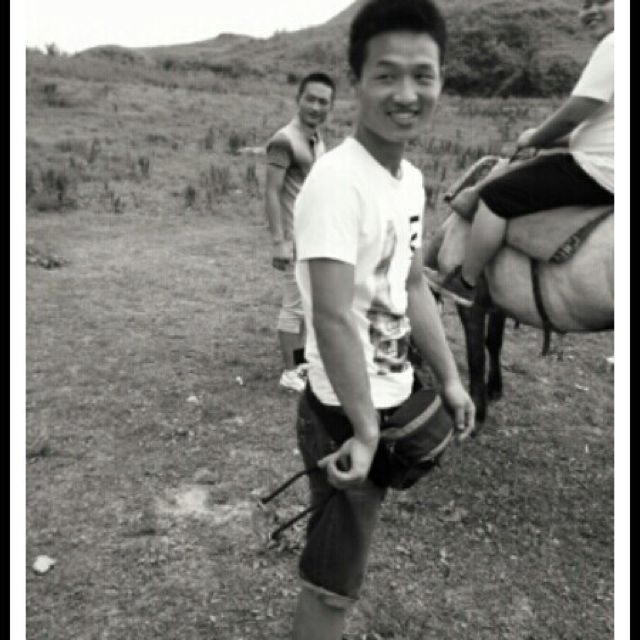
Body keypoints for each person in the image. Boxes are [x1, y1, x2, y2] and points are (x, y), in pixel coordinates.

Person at [291, 1, 475, 637]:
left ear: (442, 80)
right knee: (333, 583)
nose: (406, 93)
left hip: (386, 398)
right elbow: (331, 315)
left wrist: (450, 380)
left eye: (423, 75)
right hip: (343, 410)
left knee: (342, 554)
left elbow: (413, 282)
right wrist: (366, 429)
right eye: (387, 74)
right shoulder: (336, 183)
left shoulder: (409, 181)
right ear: (358, 81)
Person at [428, 0, 614, 307]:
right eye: (585, 5)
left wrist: (536, 137)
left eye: (602, 2)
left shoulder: (615, 44)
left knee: (496, 196)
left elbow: (575, 112)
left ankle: (466, 281)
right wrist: (555, 142)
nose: (591, 10)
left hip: (600, 170)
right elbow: (606, 129)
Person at [265, 72, 336, 392]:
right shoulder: (284, 140)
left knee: (309, 304)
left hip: (315, 237)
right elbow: (272, 192)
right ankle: (290, 372)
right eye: (311, 99)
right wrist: (279, 241)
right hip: (295, 239)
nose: (316, 107)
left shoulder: (317, 139)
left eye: (323, 102)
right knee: (294, 306)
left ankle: (301, 363)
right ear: (298, 99)